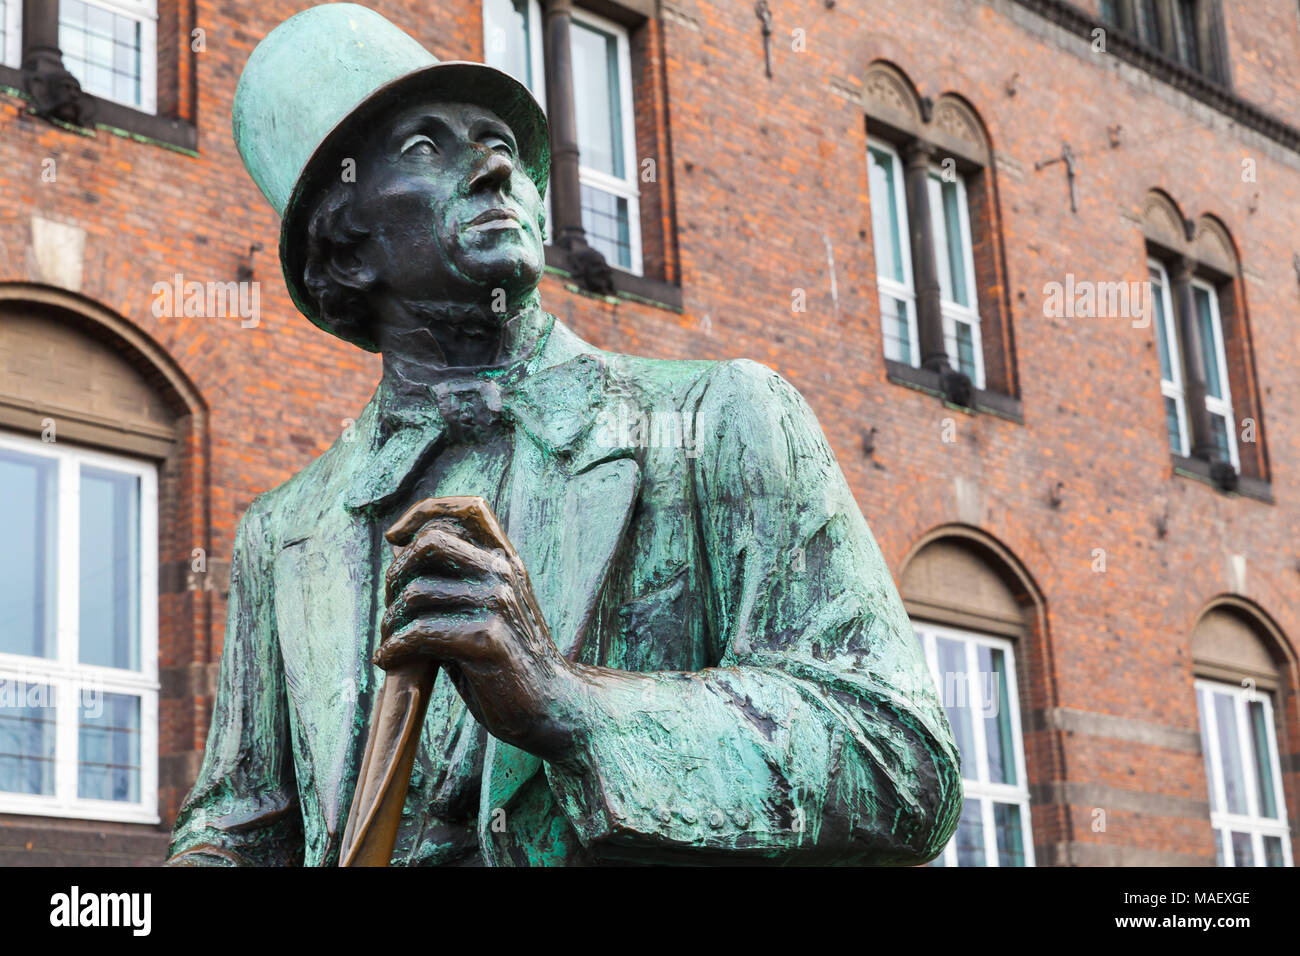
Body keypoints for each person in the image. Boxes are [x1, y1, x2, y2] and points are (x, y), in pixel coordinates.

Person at [167, 3, 961, 867]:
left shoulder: (720, 421)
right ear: (345, 248)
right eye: (428, 148)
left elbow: (902, 764)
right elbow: (237, 836)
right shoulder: (283, 534)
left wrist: (567, 704)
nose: (493, 165)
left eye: (501, 143)